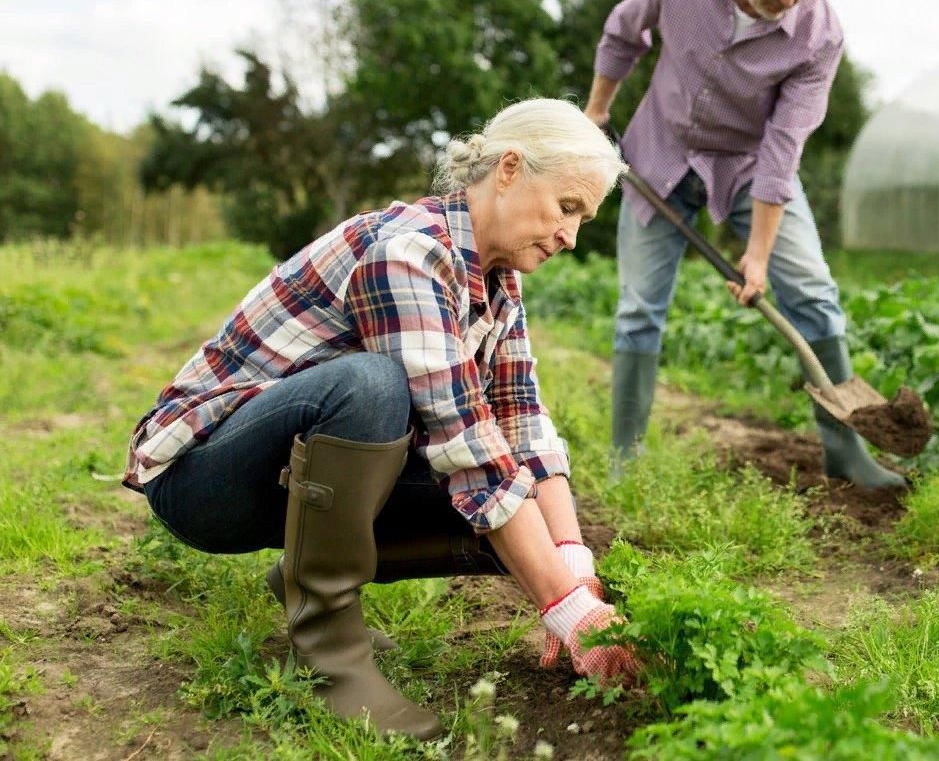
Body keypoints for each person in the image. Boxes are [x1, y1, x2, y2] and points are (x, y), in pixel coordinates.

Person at [124, 99, 641, 740]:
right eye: (567, 208)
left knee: (515, 512)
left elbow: (522, 422)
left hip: (291, 475)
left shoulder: (498, 282)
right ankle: (329, 651)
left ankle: (306, 578)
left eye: (583, 219)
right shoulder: (408, 253)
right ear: (509, 168)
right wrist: (564, 610)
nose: (571, 236)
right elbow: (468, 447)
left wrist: (577, 577)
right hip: (203, 479)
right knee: (373, 388)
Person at [583, 0, 904, 490]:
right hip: (662, 150)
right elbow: (625, 32)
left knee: (811, 291)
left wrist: (757, 253)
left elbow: (784, 148)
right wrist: (596, 113)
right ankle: (624, 461)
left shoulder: (819, 33)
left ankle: (847, 453)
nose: (788, 0)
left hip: (750, 165)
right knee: (639, 309)